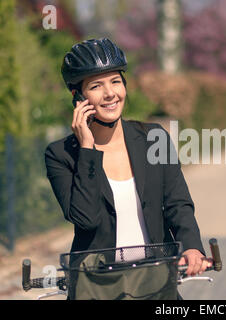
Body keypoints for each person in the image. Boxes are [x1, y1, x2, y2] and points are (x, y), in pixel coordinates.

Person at [44, 38, 211, 299]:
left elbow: (178, 203)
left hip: (156, 281)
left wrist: (192, 248)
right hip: (97, 286)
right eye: (96, 86)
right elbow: (86, 219)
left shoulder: (154, 138)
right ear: (77, 96)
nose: (110, 93)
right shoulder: (61, 154)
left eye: (116, 81)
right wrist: (87, 149)